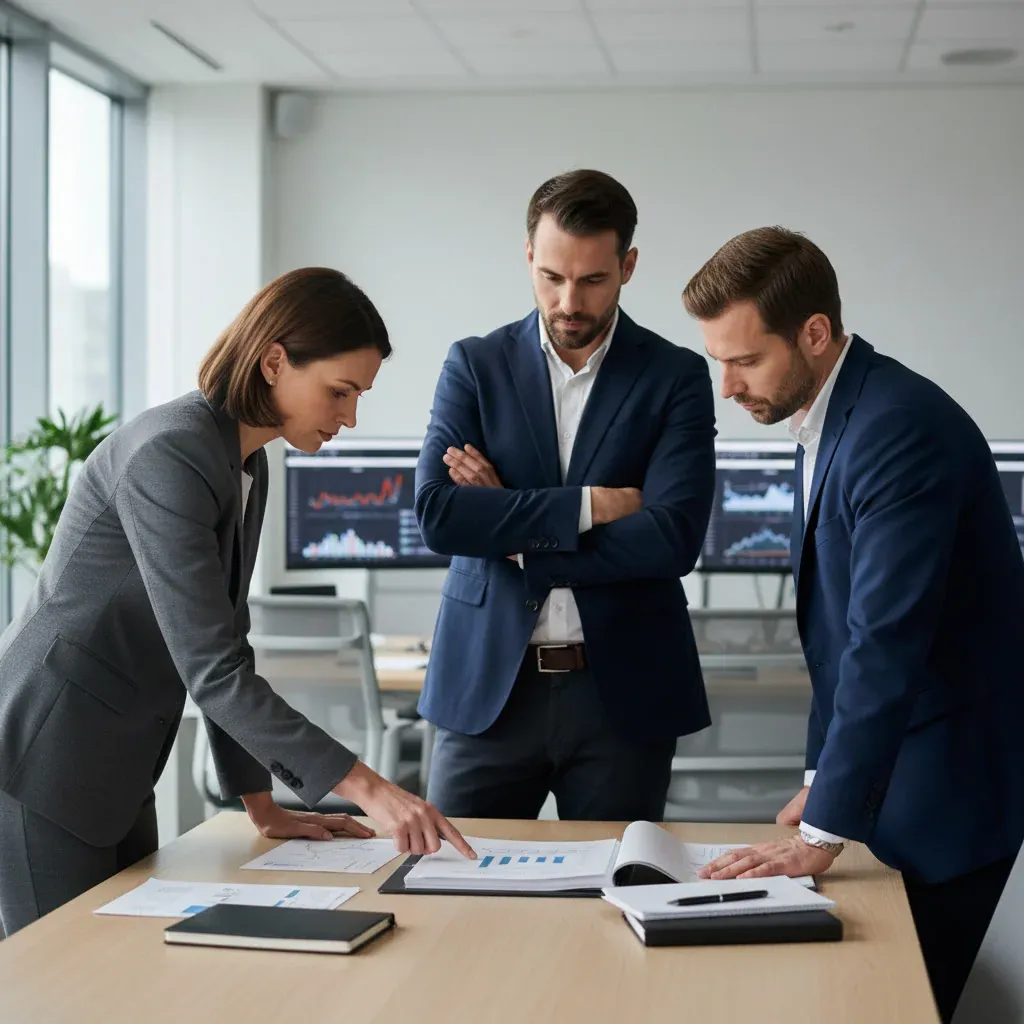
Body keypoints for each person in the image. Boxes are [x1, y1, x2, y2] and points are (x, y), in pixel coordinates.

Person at [0, 267, 474, 939]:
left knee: (120, 970)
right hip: (45, 757)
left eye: (360, 396)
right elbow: (213, 669)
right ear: (274, 361)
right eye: (340, 391)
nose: (350, 417)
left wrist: (263, 805)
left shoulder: (247, 463)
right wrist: (374, 789)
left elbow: (227, 642)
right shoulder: (170, 452)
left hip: (114, 763)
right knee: (60, 977)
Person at [683, 226, 1024, 1023]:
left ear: (814, 332)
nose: (726, 387)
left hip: (949, 784)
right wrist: (818, 785)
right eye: (716, 362)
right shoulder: (831, 418)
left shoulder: (896, 429)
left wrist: (825, 829)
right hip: (901, 775)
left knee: (905, 1005)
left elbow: (884, 640)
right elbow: (834, 637)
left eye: (745, 360)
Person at [414, 169, 716, 821]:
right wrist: (594, 506)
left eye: (592, 280)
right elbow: (440, 515)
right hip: (487, 688)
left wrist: (516, 535)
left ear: (628, 266)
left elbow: (673, 537)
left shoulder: (675, 377)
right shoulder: (475, 364)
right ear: (529, 256)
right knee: (454, 898)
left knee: (616, 904)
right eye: (551, 277)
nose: (569, 301)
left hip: (623, 696)